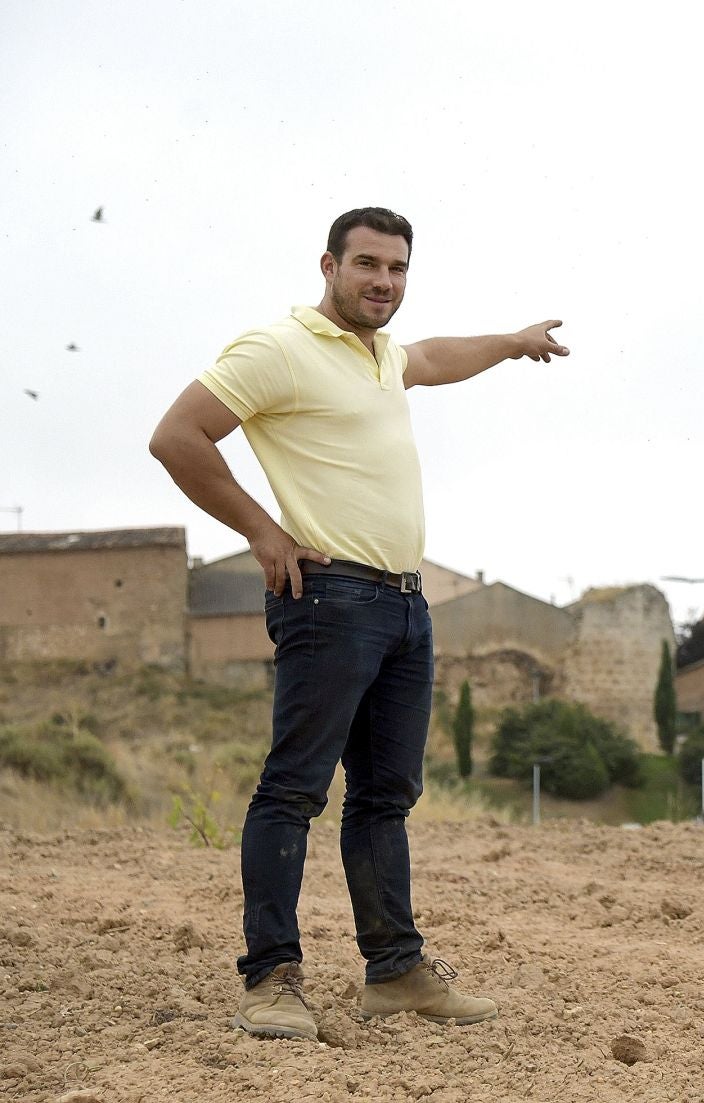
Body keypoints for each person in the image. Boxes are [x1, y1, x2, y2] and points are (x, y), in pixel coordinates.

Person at [148, 207, 569, 1042]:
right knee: (294, 790)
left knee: (384, 797)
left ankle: (396, 972)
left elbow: (438, 357)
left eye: (398, 268)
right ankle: (271, 977)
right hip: (330, 599)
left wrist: (513, 341)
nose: (384, 280)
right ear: (328, 265)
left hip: (407, 607)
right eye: (368, 263)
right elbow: (176, 435)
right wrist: (262, 531)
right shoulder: (279, 349)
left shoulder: (382, 355)